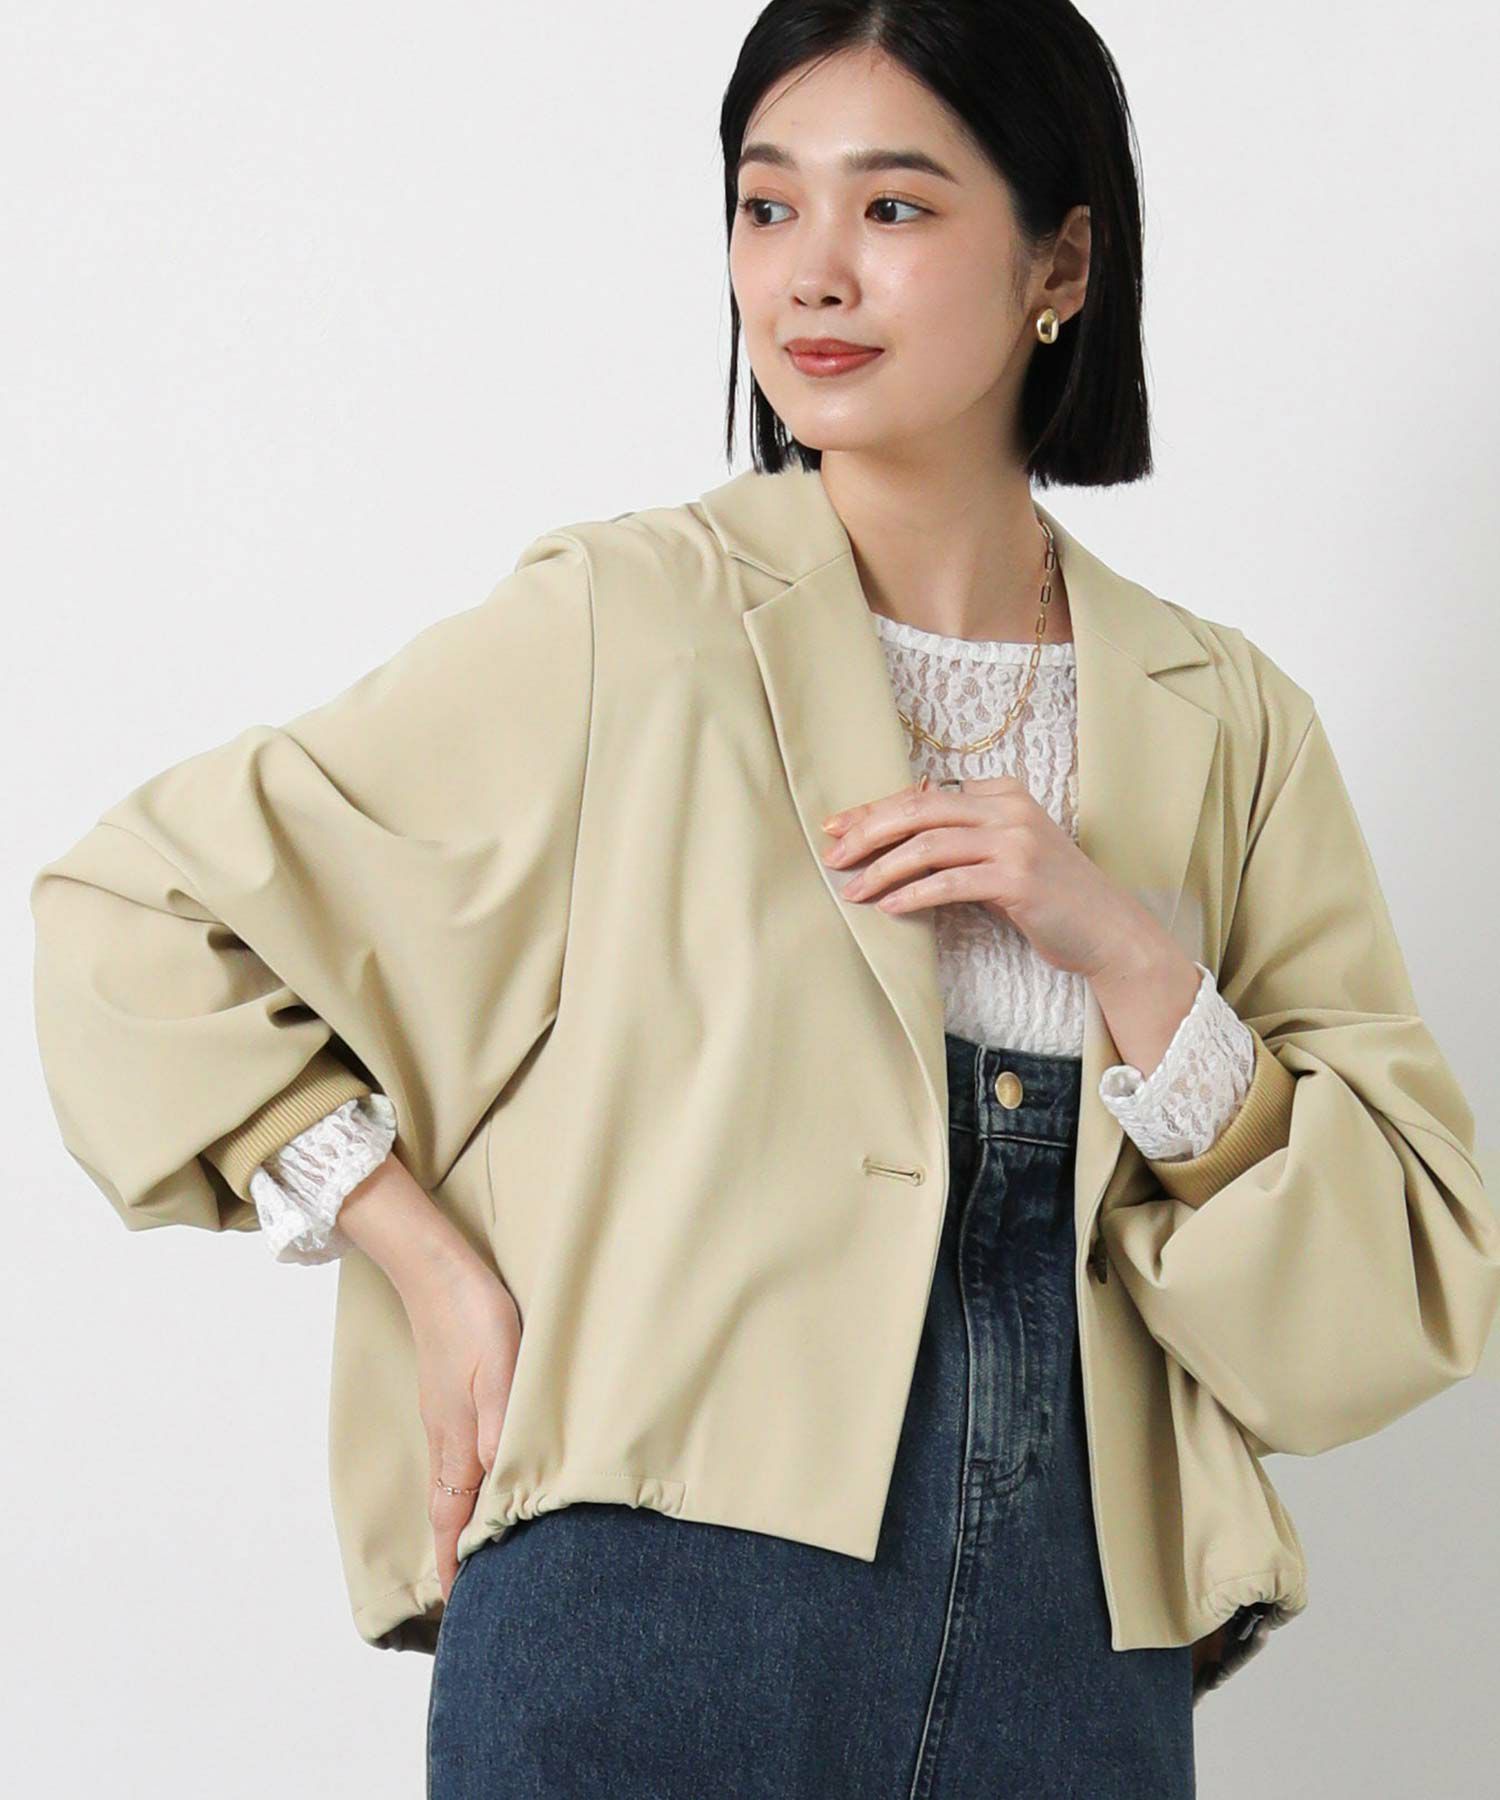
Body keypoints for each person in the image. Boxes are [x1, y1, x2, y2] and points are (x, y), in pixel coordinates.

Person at [30, 3, 1500, 1796]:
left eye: (894, 208)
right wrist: (429, 1264)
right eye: (765, 204)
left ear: (1060, 263)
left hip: (1080, 1656)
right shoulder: (627, 622)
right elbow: (134, 915)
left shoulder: (1233, 723)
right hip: (650, 1606)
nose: (810, 273)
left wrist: (1126, 955)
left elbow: (1394, 1298)